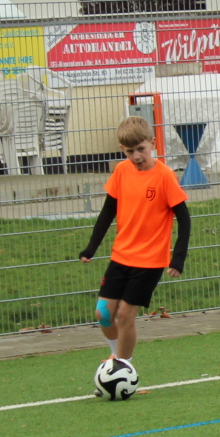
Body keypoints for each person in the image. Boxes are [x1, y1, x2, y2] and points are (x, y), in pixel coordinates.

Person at [79, 116, 189, 382]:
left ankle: (122, 369)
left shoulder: (164, 176)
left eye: (141, 149)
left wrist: (178, 258)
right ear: (122, 150)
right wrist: (91, 247)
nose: (137, 156)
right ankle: (116, 357)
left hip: (149, 260)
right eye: (130, 151)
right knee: (103, 313)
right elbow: (108, 211)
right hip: (121, 256)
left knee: (126, 314)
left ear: (152, 143)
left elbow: (184, 219)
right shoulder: (121, 171)